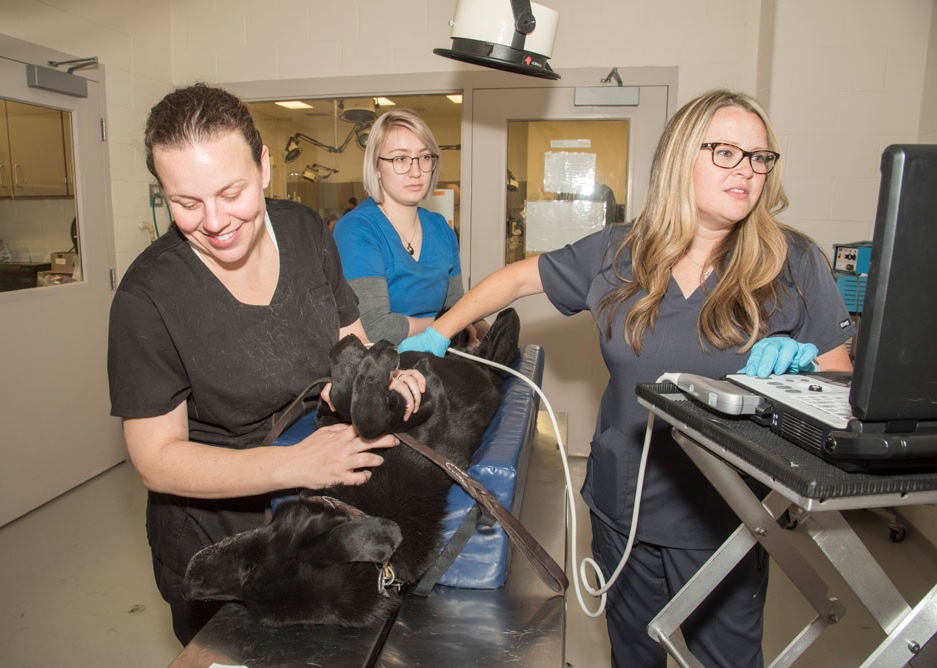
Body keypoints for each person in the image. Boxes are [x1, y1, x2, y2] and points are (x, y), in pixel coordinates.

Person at [399, 89, 854, 667]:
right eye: (726, 153)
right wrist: (440, 332)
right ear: (681, 157)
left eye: (759, 157)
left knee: (727, 659)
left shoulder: (792, 262)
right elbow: (517, 279)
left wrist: (803, 365)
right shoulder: (620, 253)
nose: (746, 170)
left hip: (727, 516)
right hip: (623, 506)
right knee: (635, 654)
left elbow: (840, 380)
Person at [107, 84, 423, 645]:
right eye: (186, 203)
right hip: (221, 536)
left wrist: (376, 381)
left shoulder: (304, 231)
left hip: (311, 507)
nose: (214, 221)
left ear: (264, 165)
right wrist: (292, 466)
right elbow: (157, 460)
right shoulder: (148, 297)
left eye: (232, 192)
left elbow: (348, 346)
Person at [333, 109, 486, 344]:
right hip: (387, 370)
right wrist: (449, 325)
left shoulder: (441, 229)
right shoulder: (356, 230)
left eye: (424, 157)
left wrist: (479, 326)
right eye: (400, 159)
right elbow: (374, 326)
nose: (416, 171)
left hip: (440, 363)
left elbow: (456, 305)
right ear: (376, 167)